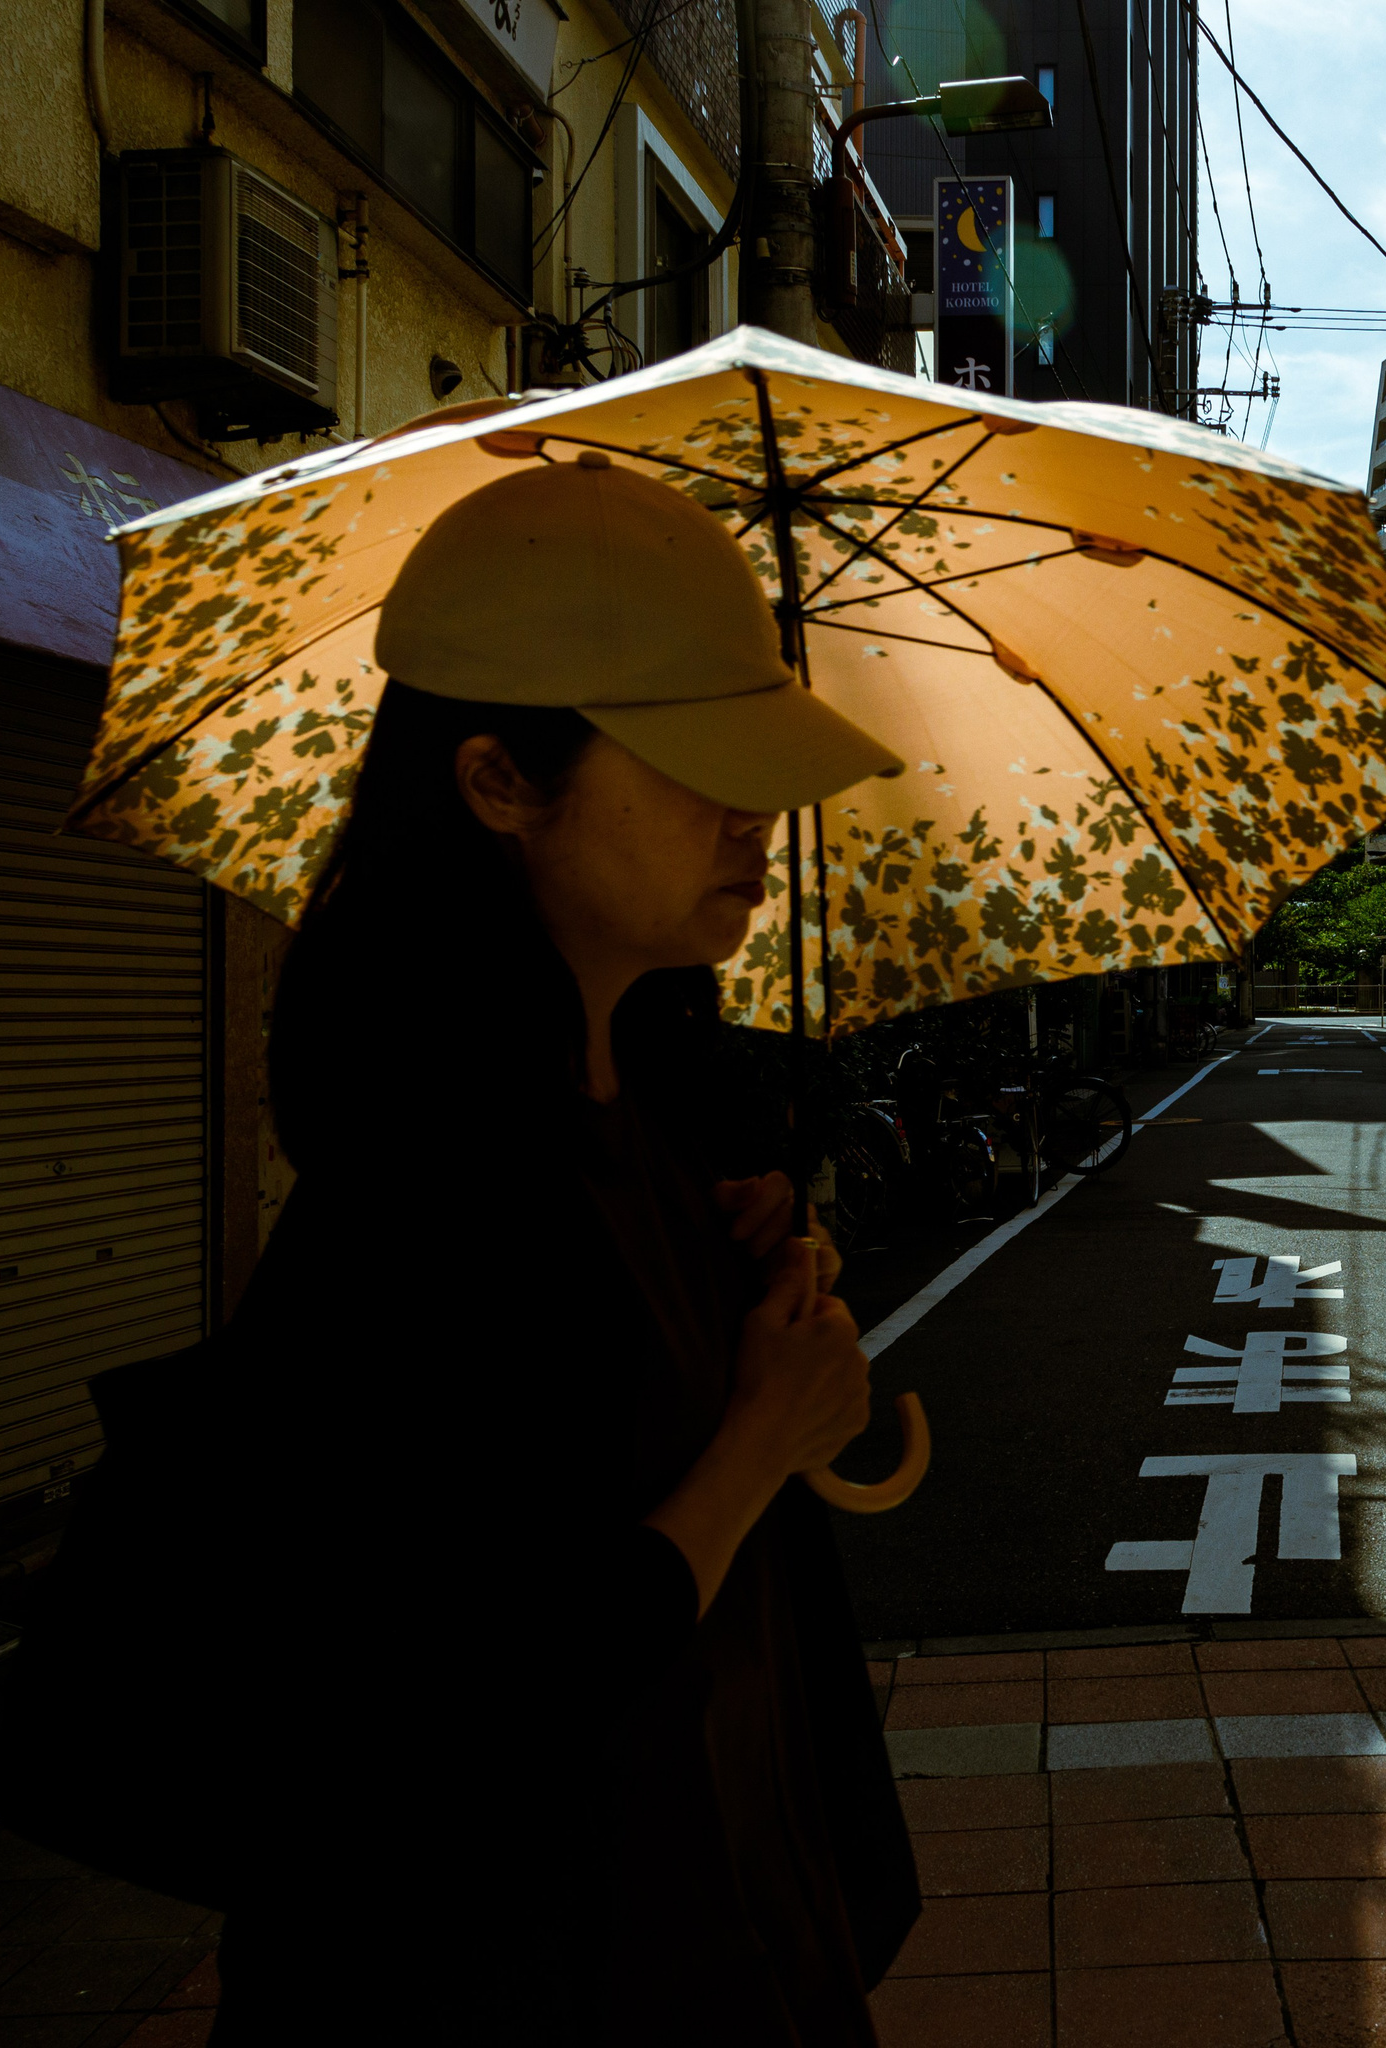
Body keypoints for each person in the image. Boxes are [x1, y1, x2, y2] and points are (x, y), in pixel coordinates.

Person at [205, 458, 920, 2041]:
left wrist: (745, 1278)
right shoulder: (419, 1188)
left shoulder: (651, 1119)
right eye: (693, 765)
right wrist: (757, 1442)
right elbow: (465, 1700)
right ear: (497, 783)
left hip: (709, 1917)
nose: (754, 819)